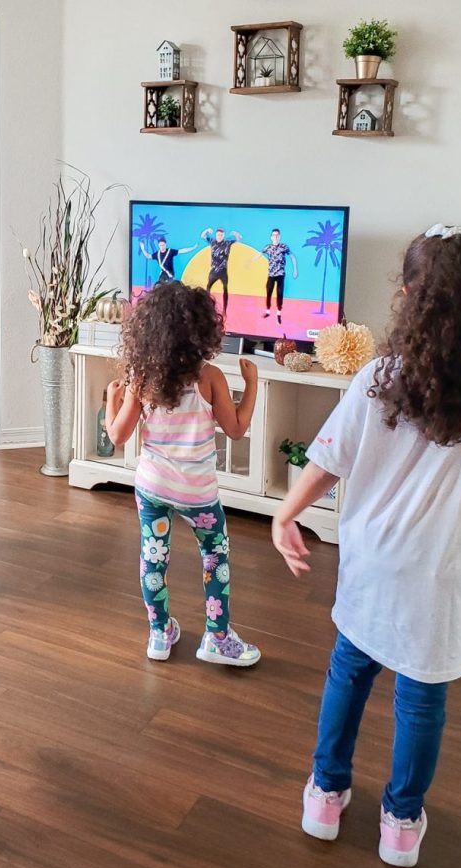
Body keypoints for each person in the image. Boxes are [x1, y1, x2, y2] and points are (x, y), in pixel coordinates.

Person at [270, 224, 461, 868]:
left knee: (349, 672)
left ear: (410, 296)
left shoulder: (379, 377)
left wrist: (286, 513)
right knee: (422, 694)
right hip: (445, 576)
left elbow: (327, 460)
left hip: (374, 563)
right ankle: (401, 823)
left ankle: (326, 793)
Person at [105, 280, 262, 666]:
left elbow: (117, 436)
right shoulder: (210, 378)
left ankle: (159, 632)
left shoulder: (142, 379)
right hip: (199, 493)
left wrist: (112, 400)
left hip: (154, 487)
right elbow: (238, 429)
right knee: (214, 557)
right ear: (202, 331)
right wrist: (253, 385)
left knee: (153, 558)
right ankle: (218, 636)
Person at [257, 228, 297, 323]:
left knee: (279, 294)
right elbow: (259, 254)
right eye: (273, 235)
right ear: (271, 237)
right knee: (269, 292)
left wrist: (295, 269)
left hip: (280, 274)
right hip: (271, 274)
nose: (275, 237)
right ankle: (268, 311)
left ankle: (278, 313)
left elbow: (292, 256)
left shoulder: (283, 247)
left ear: (279, 237)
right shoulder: (268, 247)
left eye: (277, 235)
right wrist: (251, 261)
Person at [201, 227, 242, 315]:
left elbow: (239, 239)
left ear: (223, 236)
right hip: (214, 271)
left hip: (223, 271)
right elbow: (203, 236)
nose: (219, 236)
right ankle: (207, 307)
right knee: (208, 288)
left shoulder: (227, 243)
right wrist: (207, 230)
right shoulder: (212, 241)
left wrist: (235, 234)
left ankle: (224, 310)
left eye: (221, 235)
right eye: (218, 235)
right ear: (216, 235)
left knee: (225, 289)